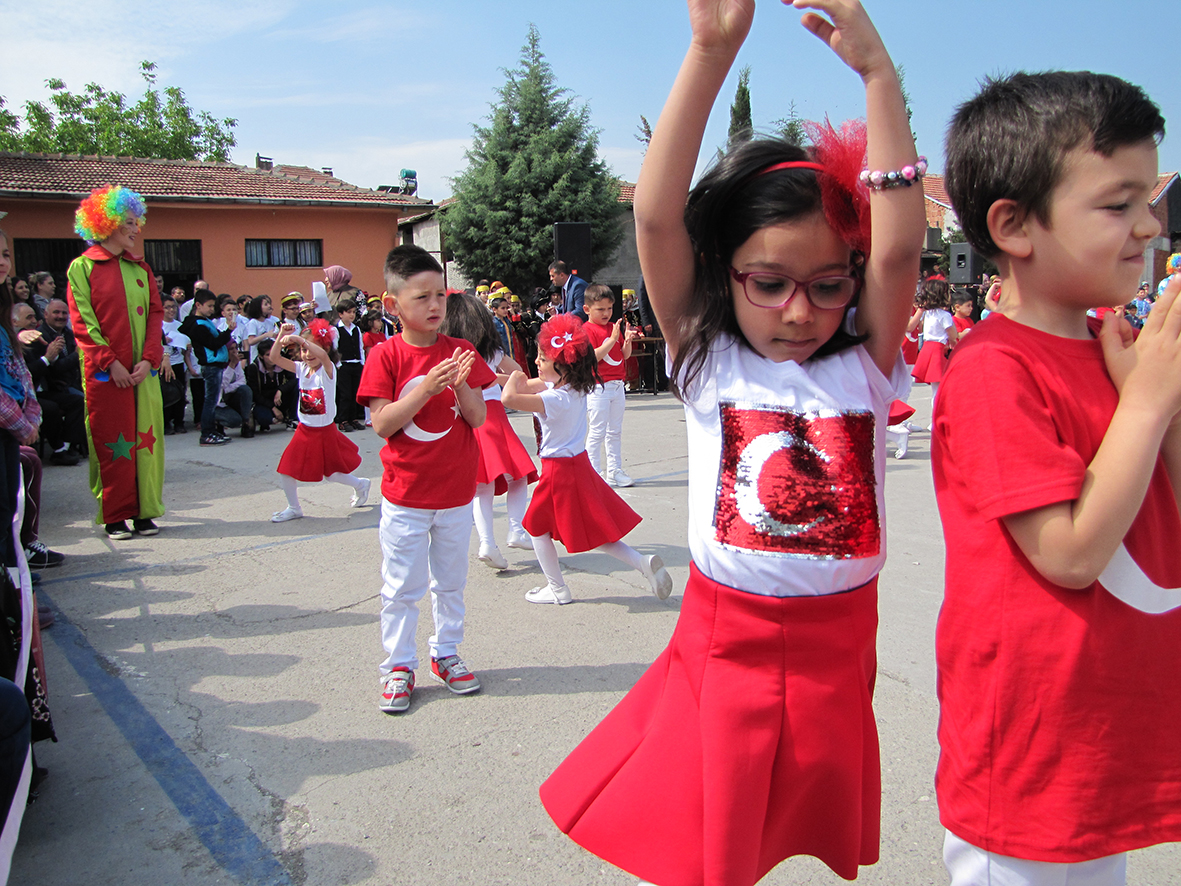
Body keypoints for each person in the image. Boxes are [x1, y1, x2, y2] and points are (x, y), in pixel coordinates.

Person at [538, 2, 925, 884]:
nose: (799, 309)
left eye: (829, 285)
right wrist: (710, 51)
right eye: (769, 282)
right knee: (718, 843)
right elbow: (656, 222)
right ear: (725, 274)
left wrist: (878, 78)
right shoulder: (706, 358)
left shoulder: (865, 363)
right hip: (729, 639)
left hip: (840, 642)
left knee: (803, 817)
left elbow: (898, 250)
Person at [934, 71, 1181, 886]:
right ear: (1012, 226)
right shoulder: (993, 371)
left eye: (1148, 198)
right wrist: (1143, 406)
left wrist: (1157, 400)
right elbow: (1069, 554)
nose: (1148, 225)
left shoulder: (1116, 352)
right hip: (1032, 761)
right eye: (1116, 205)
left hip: (1100, 739)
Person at [355, 245, 496, 715]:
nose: (435, 306)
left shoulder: (461, 352)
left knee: (451, 582)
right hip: (406, 496)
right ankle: (398, 665)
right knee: (400, 587)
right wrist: (426, 390)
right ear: (392, 305)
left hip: (455, 495)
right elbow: (382, 424)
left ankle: (447, 653)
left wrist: (457, 383)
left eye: (441, 295)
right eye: (422, 297)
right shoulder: (385, 356)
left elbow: (477, 417)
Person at [502, 314, 671, 605]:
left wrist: (515, 376)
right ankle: (642, 563)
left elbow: (510, 398)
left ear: (561, 364)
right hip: (577, 465)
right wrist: (502, 379)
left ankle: (557, 589)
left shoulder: (553, 399)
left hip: (558, 471)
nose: (537, 362)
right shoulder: (573, 388)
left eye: (542, 358)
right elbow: (531, 385)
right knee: (595, 530)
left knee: (536, 529)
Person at [66, 186, 166, 540]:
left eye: (137, 221)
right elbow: (83, 323)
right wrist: (112, 364)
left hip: (142, 374)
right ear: (105, 223)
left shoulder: (141, 270)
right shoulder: (82, 268)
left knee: (145, 443)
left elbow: (156, 317)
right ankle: (115, 515)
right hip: (106, 378)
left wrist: (149, 359)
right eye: (128, 222)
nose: (136, 229)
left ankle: (144, 511)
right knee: (112, 443)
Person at [439, 292, 538, 570]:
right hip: (490, 415)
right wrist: (500, 376)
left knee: (482, 487)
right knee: (518, 475)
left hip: (460, 420)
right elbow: (519, 372)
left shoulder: (446, 353)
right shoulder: (490, 352)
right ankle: (516, 529)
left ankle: (487, 543)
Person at [267, 319, 369, 522]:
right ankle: (294, 507)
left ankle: (360, 484)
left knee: (331, 474)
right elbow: (274, 357)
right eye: (303, 350)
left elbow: (322, 356)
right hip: (305, 430)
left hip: (325, 431)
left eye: (311, 347)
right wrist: (281, 335)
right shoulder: (301, 369)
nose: (307, 354)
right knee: (287, 469)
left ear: (326, 348)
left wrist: (299, 339)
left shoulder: (328, 369)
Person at [582, 283, 636, 487]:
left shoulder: (612, 328)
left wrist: (626, 341)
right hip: (598, 387)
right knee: (597, 431)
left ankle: (614, 470)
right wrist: (612, 339)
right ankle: (594, 473)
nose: (606, 313)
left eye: (610, 308)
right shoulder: (586, 330)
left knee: (615, 431)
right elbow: (592, 357)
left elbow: (623, 356)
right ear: (587, 309)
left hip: (617, 385)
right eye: (601, 309)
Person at [179, 290, 233, 446]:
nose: (211, 309)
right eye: (209, 306)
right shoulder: (197, 324)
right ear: (198, 305)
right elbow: (213, 343)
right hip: (210, 365)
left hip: (215, 364)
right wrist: (228, 331)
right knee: (210, 401)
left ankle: (212, 430)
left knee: (211, 399)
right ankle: (207, 433)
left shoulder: (204, 321)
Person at [908, 275, 957, 398]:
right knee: (940, 388)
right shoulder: (944, 315)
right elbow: (953, 335)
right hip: (938, 350)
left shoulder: (927, 313)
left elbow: (913, 327)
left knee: (935, 387)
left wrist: (920, 310)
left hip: (927, 348)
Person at [333, 297, 366, 432]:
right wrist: (338, 365)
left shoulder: (356, 329)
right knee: (345, 394)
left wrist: (362, 363)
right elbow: (334, 348)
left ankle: (353, 419)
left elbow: (360, 347)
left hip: (356, 364)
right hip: (344, 365)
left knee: (355, 393)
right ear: (341, 314)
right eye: (348, 312)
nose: (352, 315)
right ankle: (343, 419)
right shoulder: (336, 330)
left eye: (353, 312)